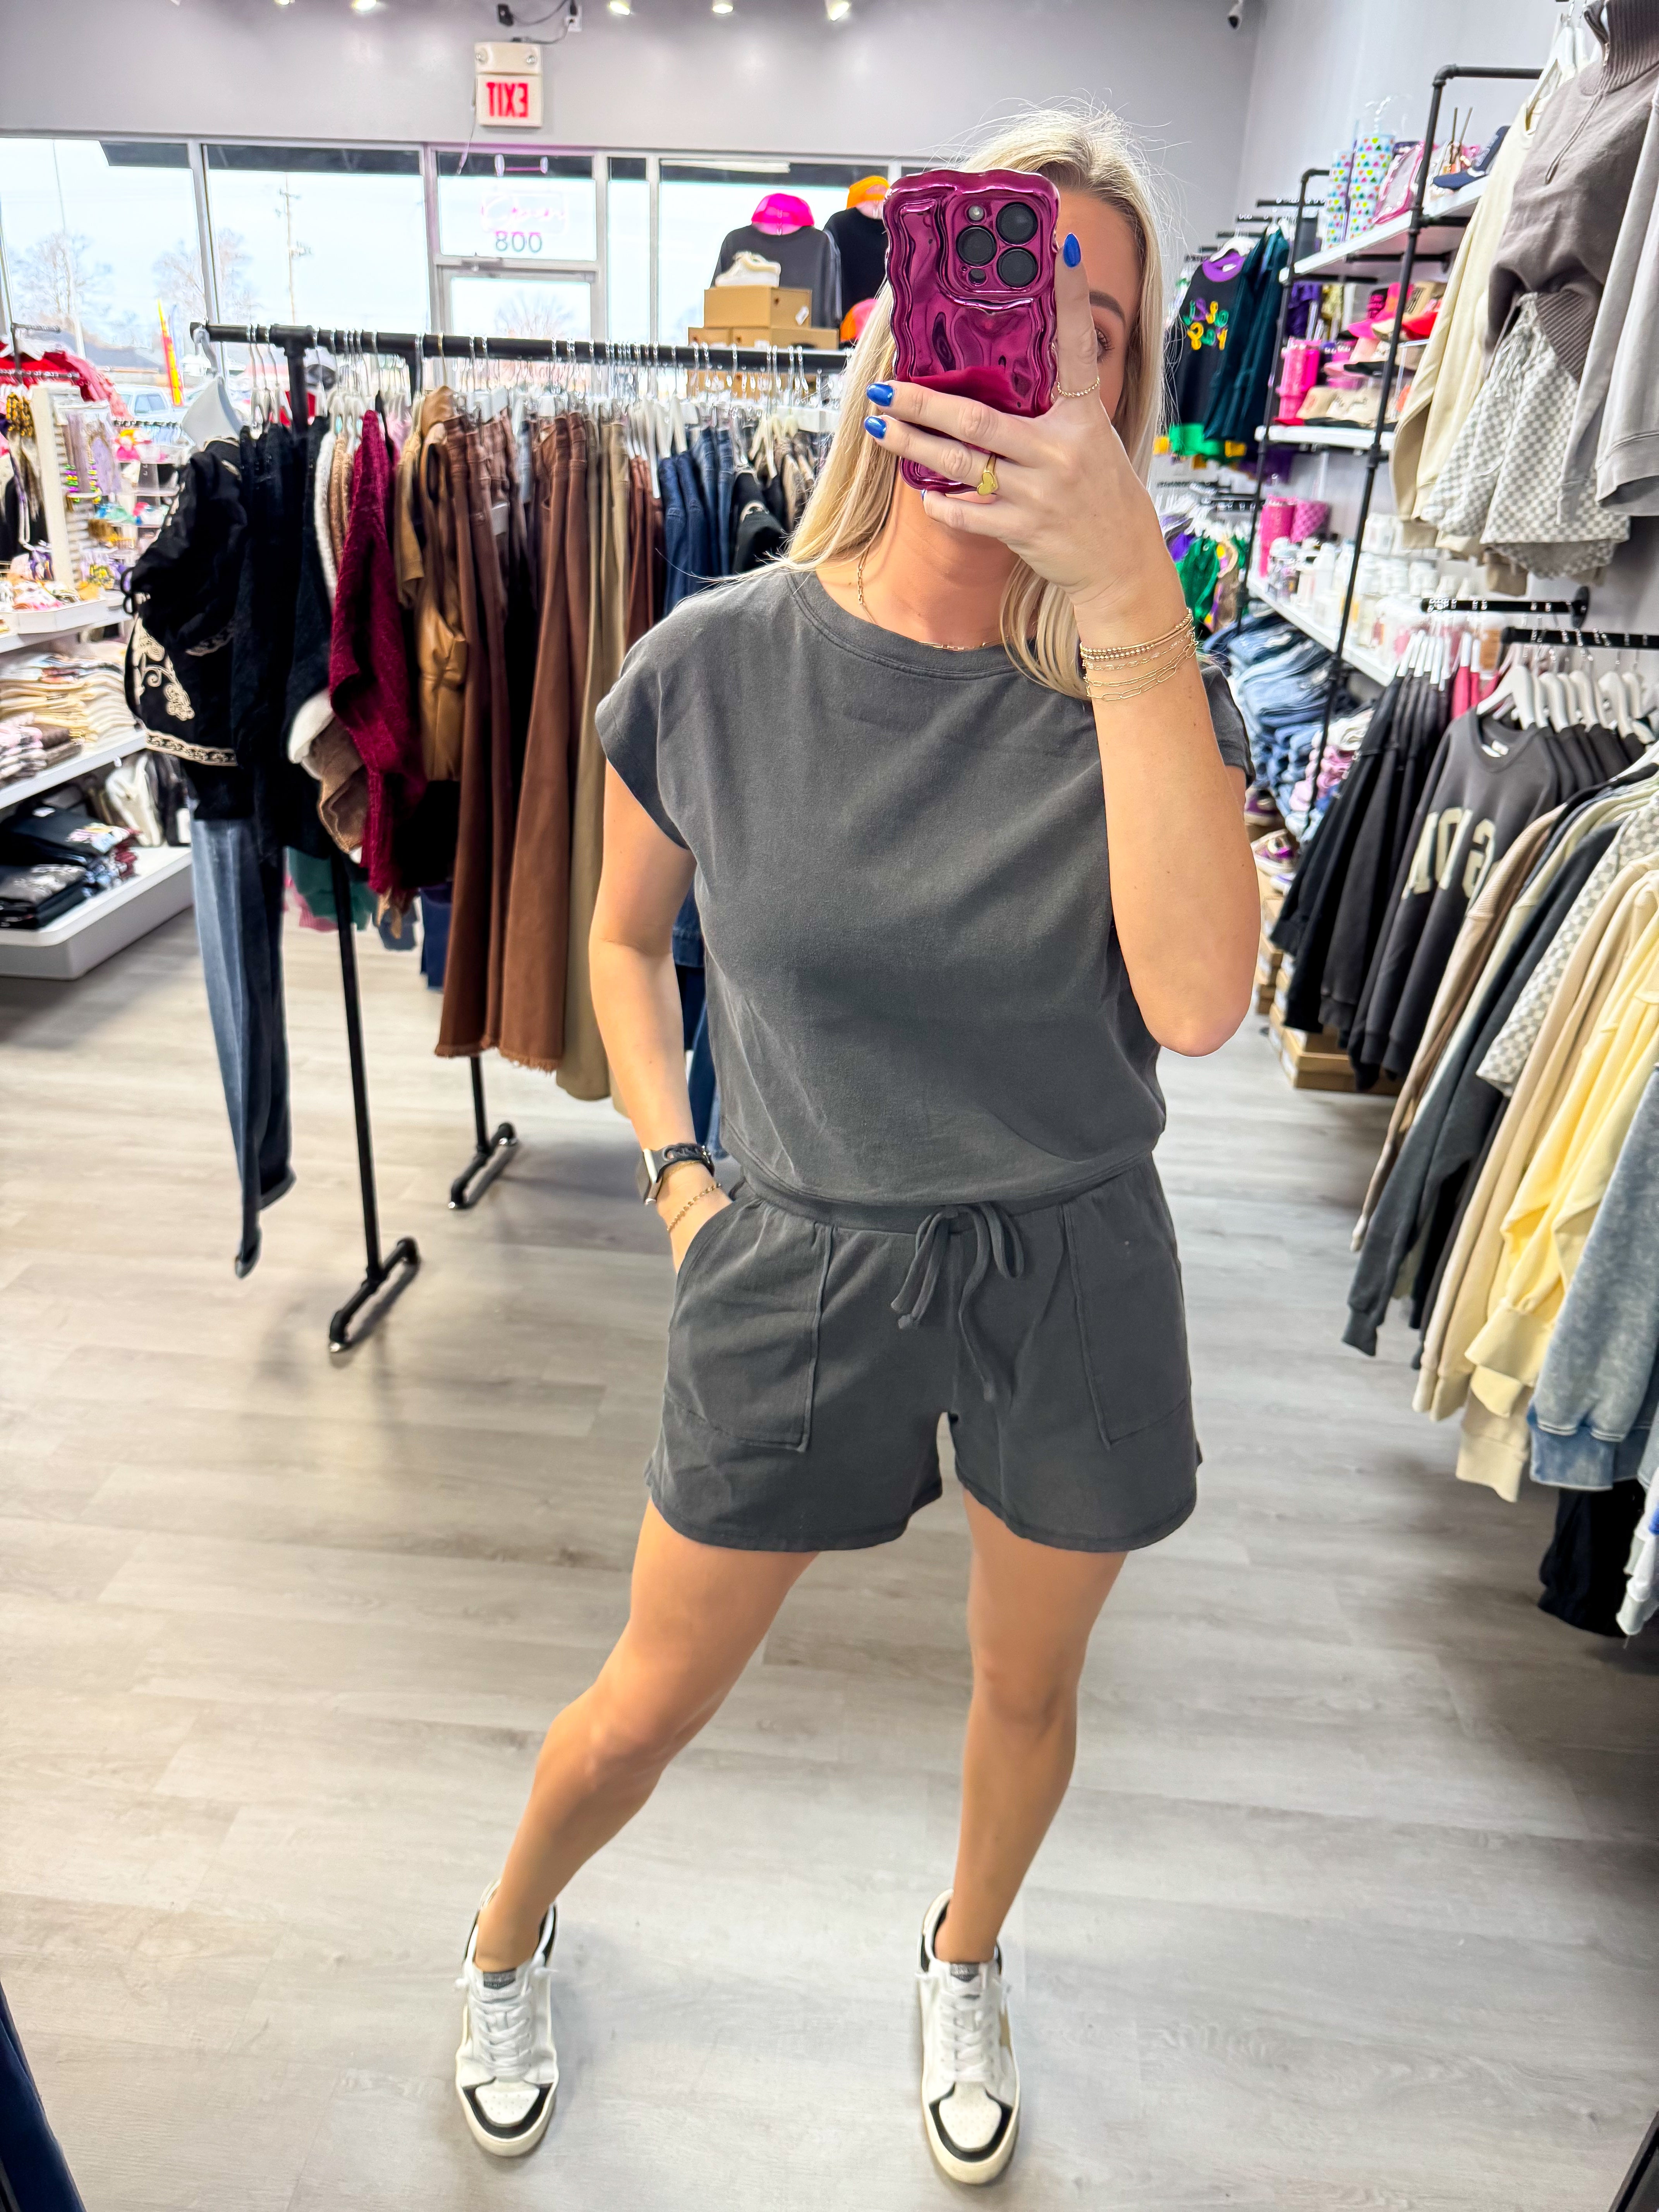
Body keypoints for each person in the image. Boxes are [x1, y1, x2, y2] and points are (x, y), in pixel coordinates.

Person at [452, 106, 1259, 2184]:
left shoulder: (1146, 688)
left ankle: (964, 1952)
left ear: (1125, 394)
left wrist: (1129, 593)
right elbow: (620, 947)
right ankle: (506, 1931)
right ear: (901, 325)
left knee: (1024, 1690)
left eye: (1098, 331)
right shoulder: (718, 663)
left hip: (1072, 1263)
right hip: (798, 1251)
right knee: (649, 1699)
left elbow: (1197, 1004)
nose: (1041, 354)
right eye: (1007, 290)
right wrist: (680, 1178)